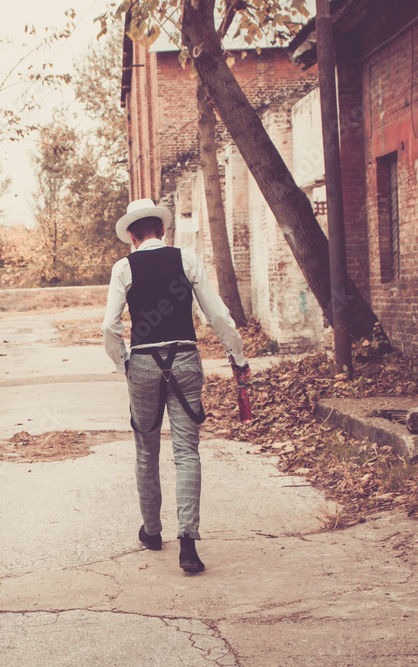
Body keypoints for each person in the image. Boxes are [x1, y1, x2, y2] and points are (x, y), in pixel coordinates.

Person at [102, 199, 251, 573]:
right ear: (163, 231)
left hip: (144, 364)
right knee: (187, 452)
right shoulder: (186, 259)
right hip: (185, 359)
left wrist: (125, 363)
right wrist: (238, 358)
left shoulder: (124, 267)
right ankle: (188, 544)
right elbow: (217, 314)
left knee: (146, 449)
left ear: (132, 236)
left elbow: (110, 327)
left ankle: (152, 531)